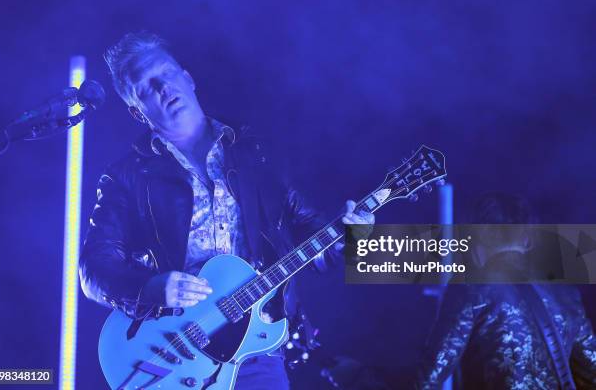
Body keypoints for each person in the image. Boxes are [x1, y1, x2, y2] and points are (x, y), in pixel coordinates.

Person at [78, 31, 374, 389]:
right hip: (171, 352)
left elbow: (312, 239)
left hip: (256, 346)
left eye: (167, 74)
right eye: (145, 87)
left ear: (187, 77)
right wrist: (150, 289)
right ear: (137, 111)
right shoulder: (126, 176)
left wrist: (349, 238)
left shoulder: (256, 154)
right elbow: (94, 269)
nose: (163, 88)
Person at [415, 193, 596, 389]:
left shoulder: (471, 290)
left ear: (479, 236)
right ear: (528, 240)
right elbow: (592, 368)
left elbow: (430, 375)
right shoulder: (564, 293)